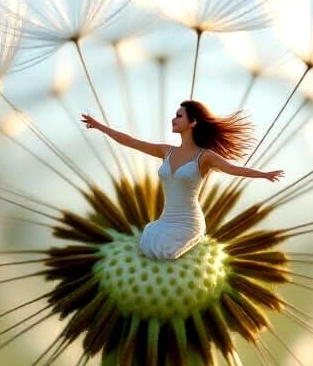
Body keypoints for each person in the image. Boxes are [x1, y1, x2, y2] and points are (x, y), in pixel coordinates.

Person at [81, 101, 284, 260]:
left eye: (179, 116)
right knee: (150, 240)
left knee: (164, 252)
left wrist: (264, 174)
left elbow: (233, 169)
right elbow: (132, 142)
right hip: (165, 220)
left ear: (193, 122)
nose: (173, 119)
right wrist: (100, 127)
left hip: (189, 223)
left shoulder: (205, 156)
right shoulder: (166, 151)